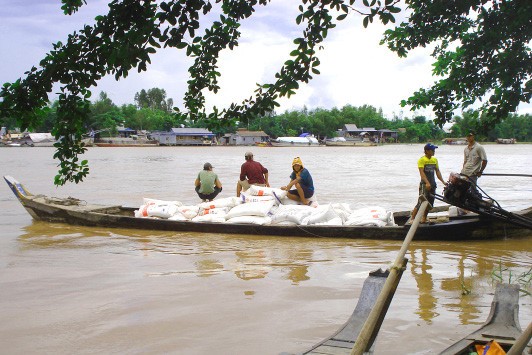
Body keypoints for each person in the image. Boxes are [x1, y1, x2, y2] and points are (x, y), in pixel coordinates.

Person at [410, 143, 447, 224]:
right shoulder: (422, 160)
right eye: (432, 150)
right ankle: (412, 218)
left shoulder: (434, 160)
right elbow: (421, 173)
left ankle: (424, 218)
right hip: (424, 184)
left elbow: (437, 171)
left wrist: (443, 181)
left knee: (429, 203)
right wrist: (427, 183)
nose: (434, 151)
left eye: (434, 150)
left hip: (433, 184)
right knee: (421, 202)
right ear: (426, 151)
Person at [461, 131, 487, 199]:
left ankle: (478, 201)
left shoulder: (479, 147)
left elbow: (484, 160)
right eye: (468, 136)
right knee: (463, 190)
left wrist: (480, 171)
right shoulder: (466, 149)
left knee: (473, 191)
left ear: (473, 136)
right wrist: (462, 172)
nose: (469, 138)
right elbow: (465, 161)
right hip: (465, 173)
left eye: (470, 136)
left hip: (473, 173)